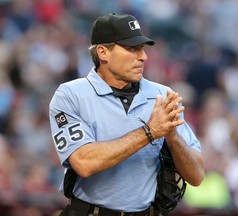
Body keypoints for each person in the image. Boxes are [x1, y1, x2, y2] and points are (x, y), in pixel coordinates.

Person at [49, 12, 205, 216]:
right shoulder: (71, 95)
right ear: (103, 52)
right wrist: (149, 132)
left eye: (142, 48)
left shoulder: (161, 95)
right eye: (132, 49)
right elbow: (84, 163)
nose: (143, 57)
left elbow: (197, 176)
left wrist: (173, 137)